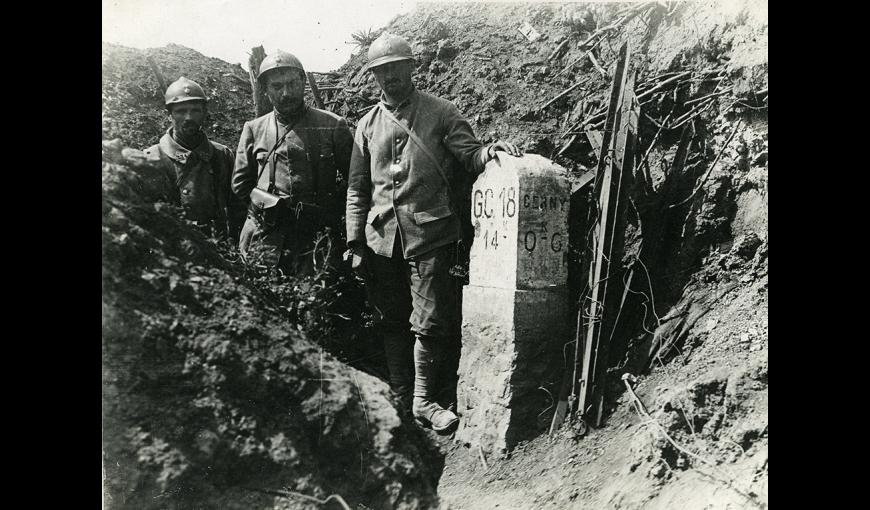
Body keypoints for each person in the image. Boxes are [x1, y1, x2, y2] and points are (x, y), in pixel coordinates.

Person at [345, 33, 522, 433]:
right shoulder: (367, 125)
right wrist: (355, 242)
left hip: (428, 234)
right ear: (374, 76)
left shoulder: (441, 112)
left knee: (430, 320)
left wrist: (490, 153)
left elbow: (469, 154)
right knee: (391, 318)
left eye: (395, 68)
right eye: (381, 71)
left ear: (411, 67)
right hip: (380, 240)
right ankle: (401, 396)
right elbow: (357, 189)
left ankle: (424, 401)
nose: (389, 77)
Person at [232, 51, 353, 276]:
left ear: (303, 82)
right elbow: (240, 186)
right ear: (266, 90)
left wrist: (329, 210)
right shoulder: (254, 129)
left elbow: (355, 182)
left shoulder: (332, 125)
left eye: (292, 84)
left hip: (316, 236)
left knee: (316, 301)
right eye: (277, 86)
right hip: (266, 237)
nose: (286, 93)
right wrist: (266, 208)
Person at [142, 77, 245, 242]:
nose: (188, 117)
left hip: (218, 250)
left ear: (204, 113)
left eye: (195, 110)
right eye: (181, 111)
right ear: (169, 115)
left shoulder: (221, 156)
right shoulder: (151, 159)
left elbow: (238, 209)